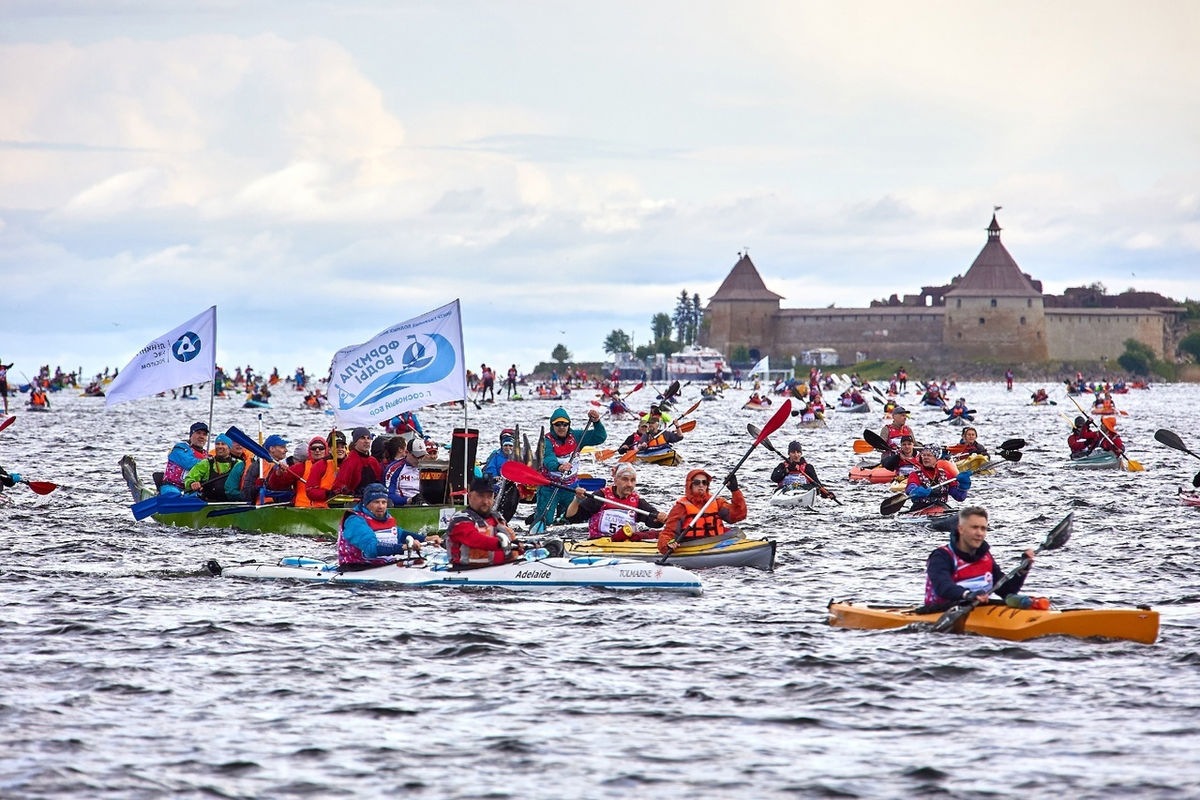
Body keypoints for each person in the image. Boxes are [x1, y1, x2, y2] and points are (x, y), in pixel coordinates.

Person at [924, 507, 1036, 606]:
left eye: (983, 528)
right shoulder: (942, 556)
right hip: (939, 611)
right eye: (974, 527)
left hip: (977, 610)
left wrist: (1022, 570)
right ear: (961, 529)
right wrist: (968, 595)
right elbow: (943, 587)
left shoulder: (986, 557)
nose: (980, 533)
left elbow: (1006, 590)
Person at [534, 407, 606, 526]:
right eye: (557, 424)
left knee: (571, 521)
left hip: (570, 487)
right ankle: (539, 517)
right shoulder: (547, 441)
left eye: (564, 424)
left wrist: (597, 422)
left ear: (569, 425)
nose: (561, 427)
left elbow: (600, 437)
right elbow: (547, 458)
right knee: (547, 521)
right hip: (550, 487)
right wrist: (559, 467)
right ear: (552, 426)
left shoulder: (577, 436)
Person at [337, 483, 437, 568]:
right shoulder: (354, 520)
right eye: (376, 502)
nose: (381, 506)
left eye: (384, 502)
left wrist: (427, 539)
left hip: (384, 566)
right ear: (366, 503)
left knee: (420, 562)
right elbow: (371, 548)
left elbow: (399, 534)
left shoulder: (386, 517)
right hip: (356, 568)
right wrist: (404, 547)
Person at [567, 462, 666, 540]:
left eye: (633, 480)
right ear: (616, 481)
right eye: (625, 479)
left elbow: (653, 521)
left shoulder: (637, 501)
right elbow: (572, 518)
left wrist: (661, 517)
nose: (629, 484)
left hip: (624, 543)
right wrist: (577, 499)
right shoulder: (600, 496)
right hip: (599, 541)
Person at [657, 469, 747, 555]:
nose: (701, 485)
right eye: (697, 482)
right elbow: (668, 532)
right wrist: (667, 544)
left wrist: (735, 490)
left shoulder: (717, 502)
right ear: (690, 485)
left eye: (704, 482)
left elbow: (738, 515)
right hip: (692, 546)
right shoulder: (681, 507)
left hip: (717, 543)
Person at [446, 477, 522, 567]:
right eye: (480, 496)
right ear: (470, 496)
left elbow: (513, 543)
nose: (485, 501)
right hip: (465, 572)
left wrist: (523, 545)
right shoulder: (460, 519)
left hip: (502, 570)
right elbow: (474, 539)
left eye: (489, 497)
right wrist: (500, 543)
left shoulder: (498, 518)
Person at [905, 445, 971, 511]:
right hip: (920, 509)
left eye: (929, 455)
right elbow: (910, 489)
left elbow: (959, 497)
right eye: (923, 455)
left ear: (936, 458)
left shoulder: (945, 474)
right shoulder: (915, 474)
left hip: (941, 508)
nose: (925, 458)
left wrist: (963, 486)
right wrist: (915, 491)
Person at [266, 436, 328, 507]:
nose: (317, 450)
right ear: (309, 451)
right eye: (313, 448)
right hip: (303, 509)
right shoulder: (300, 468)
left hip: (328, 508)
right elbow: (275, 485)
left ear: (326, 450)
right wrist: (278, 473)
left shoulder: (334, 466)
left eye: (321, 448)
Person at [770, 441, 835, 499]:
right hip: (785, 492)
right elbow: (774, 478)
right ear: (789, 453)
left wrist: (826, 493)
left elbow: (817, 483)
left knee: (815, 489)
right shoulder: (782, 465)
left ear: (801, 453)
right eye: (793, 452)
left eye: (798, 452)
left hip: (803, 492)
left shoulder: (808, 467)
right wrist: (787, 470)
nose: (796, 455)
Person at [182, 433, 237, 501]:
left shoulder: (238, 464)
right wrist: (192, 483)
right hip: (209, 502)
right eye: (217, 444)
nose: (219, 446)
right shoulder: (206, 463)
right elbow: (189, 479)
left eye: (223, 444)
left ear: (229, 448)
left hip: (232, 503)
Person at [333, 427, 384, 498]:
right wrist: (349, 492)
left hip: (373, 498)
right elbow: (338, 485)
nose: (366, 441)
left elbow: (380, 480)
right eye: (362, 438)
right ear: (355, 442)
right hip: (355, 501)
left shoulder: (373, 461)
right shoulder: (350, 461)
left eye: (368, 438)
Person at [161, 422, 210, 495]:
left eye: (204, 434)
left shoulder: (207, 455)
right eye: (198, 433)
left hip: (191, 489)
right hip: (172, 486)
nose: (201, 436)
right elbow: (189, 463)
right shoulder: (180, 449)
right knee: (174, 495)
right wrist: (210, 462)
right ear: (191, 436)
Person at [303, 430, 348, 506]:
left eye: (342, 447)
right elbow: (310, 491)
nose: (340, 449)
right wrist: (327, 493)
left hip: (345, 507)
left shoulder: (351, 465)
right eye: (336, 447)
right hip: (323, 509)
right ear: (329, 449)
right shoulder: (320, 466)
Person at [382, 436, 430, 506]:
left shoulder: (428, 468)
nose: (419, 460)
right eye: (416, 456)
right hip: (403, 506)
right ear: (407, 452)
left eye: (422, 456)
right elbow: (387, 495)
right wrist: (409, 500)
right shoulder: (393, 469)